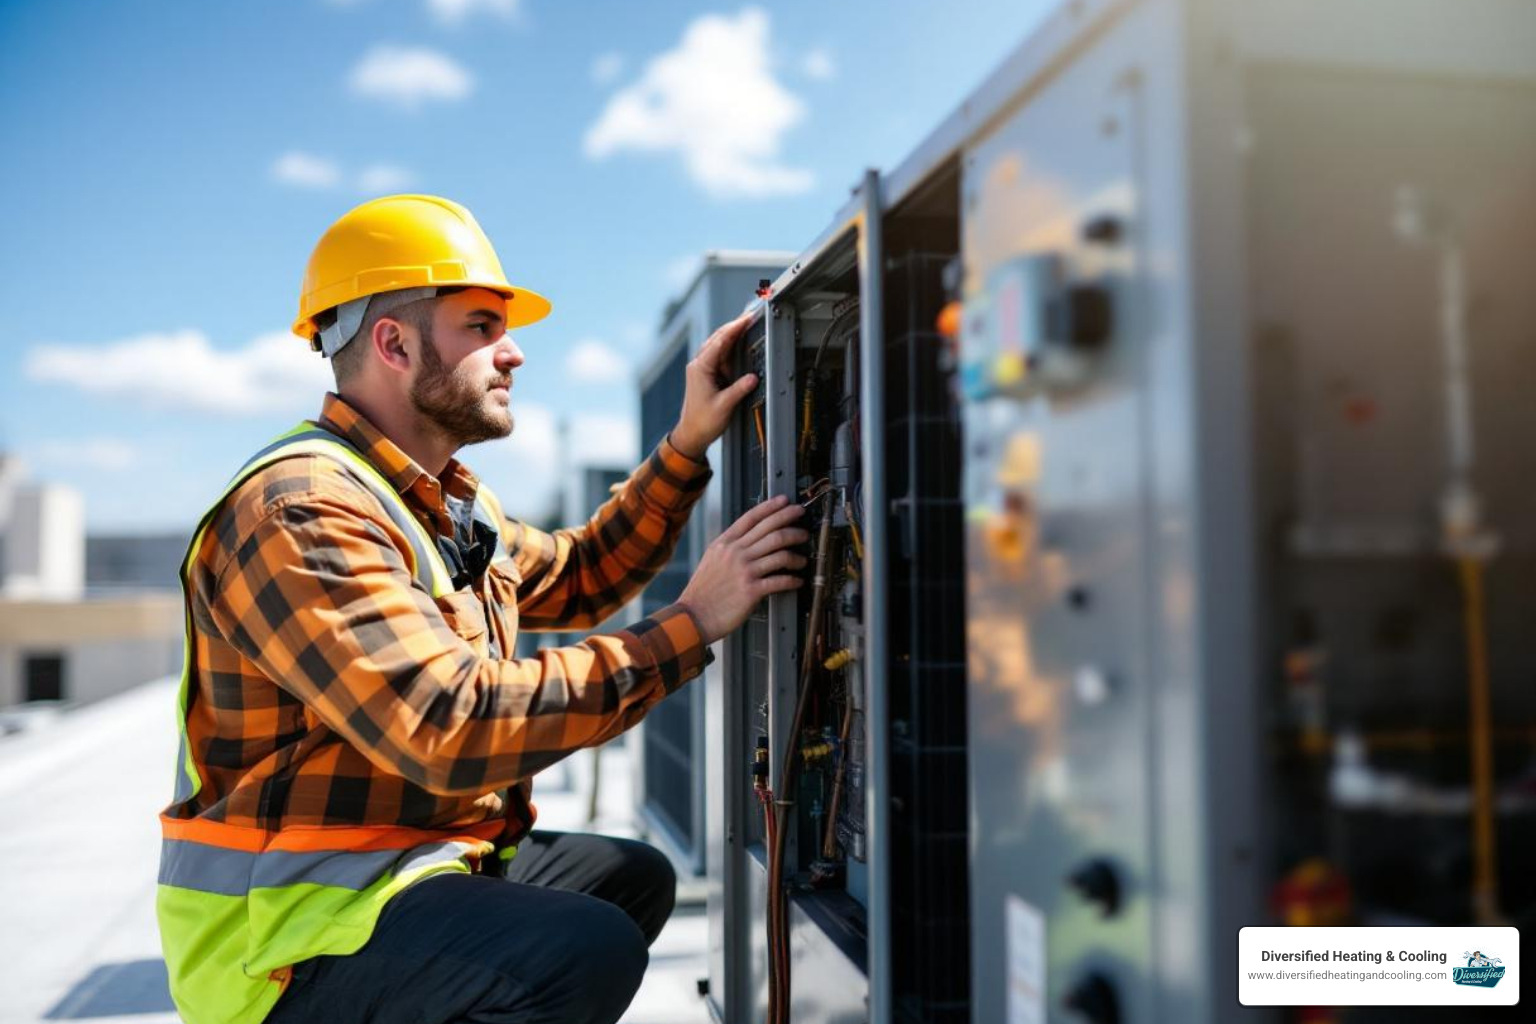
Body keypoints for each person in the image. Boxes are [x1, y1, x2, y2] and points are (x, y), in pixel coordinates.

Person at [155, 194, 808, 1024]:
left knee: (630, 880)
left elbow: (579, 576)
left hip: (403, 868)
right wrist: (694, 622)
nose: (515, 354)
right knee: (579, 949)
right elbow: (449, 725)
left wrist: (685, 445)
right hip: (284, 946)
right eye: (482, 326)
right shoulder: (301, 510)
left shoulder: (438, 503)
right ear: (393, 342)